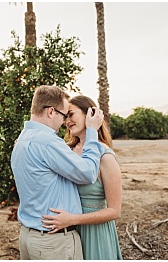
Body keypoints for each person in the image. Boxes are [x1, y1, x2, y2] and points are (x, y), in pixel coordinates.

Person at [12, 85, 105, 260]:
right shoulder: (47, 142)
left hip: (28, 237)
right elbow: (88, 173)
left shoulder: (22, 139)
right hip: (53, 243)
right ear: (51, 112)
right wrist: (92, 131)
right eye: (63, 115)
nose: (64, 122)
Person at [40, 95, 123, 260]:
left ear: (90, 114)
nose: (67, 121)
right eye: (65, 117)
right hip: (68, 232)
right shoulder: (67, 151)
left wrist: (73, 219)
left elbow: (115, 211)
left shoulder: (105, 155)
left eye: (71, 114)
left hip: (95, 233)